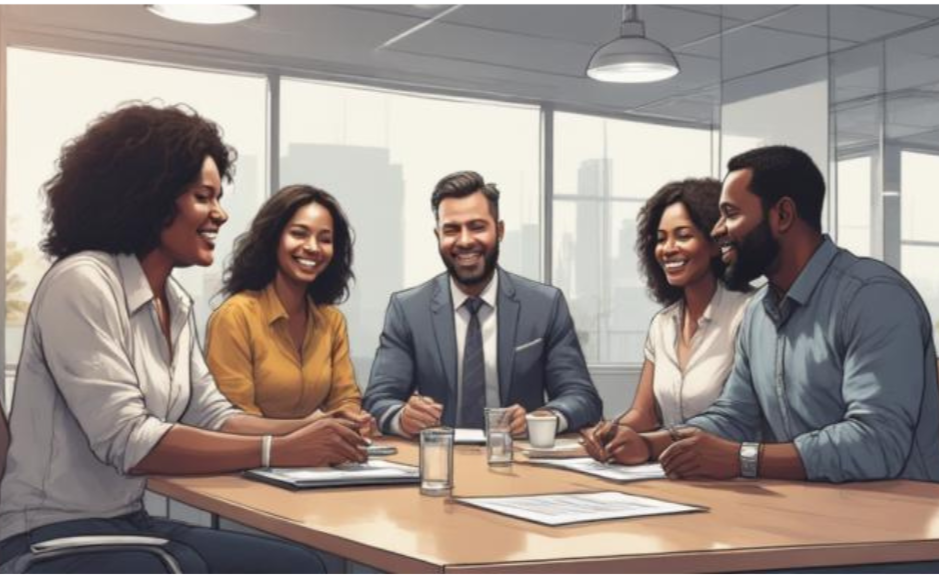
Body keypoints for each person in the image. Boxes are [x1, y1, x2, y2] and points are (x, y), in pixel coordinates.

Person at [0, 104, 367, 574]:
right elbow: (131, 442)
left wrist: (315, 430)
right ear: (150, 197)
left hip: (126, 521)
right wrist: (282, 448)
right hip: (49, 534)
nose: (220, 213)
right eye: (203, 197)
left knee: (309, 568)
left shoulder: (175, 300)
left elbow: (213, 416)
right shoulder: (82, 282)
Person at [584, 145, 938, 484]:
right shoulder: (759, 312)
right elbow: (734, 416)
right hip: (806, 512)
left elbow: (877, 444)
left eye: (731, 214)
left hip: (896, 523)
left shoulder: (873, 297)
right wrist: (650, 444)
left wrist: (742, 459)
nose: (719, 230)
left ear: (782, 215)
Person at [364, 170, 602, 438]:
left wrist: (543, 418)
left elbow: (582, 397)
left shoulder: (545, 305)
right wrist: (401, 417)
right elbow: (377, 400)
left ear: (499, 230)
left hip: (519, 464)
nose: (465, 241)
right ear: (437, 236)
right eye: (451, 229)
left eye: (477, 226)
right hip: (438, 462)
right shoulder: (407, 309)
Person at [586, 179, 751, 447]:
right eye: (661, 239)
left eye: (683, 235)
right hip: (668, 467)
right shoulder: (662, 325)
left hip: (729, 473)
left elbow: (740, 418)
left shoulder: (747, 314)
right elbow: (645, 413)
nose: (668, 248)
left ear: (714, 243)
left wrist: (650, 445)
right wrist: (611, 431)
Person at [207, 184, 374, 432]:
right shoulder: (236, 316)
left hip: (317, 462)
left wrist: (354, 420)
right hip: (249, 462)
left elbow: (345, 398)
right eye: (299, 234)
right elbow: (233, 421)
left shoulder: (332, 321)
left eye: (325, 239)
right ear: (273, 238)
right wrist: (309, 428)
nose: (313, 247)